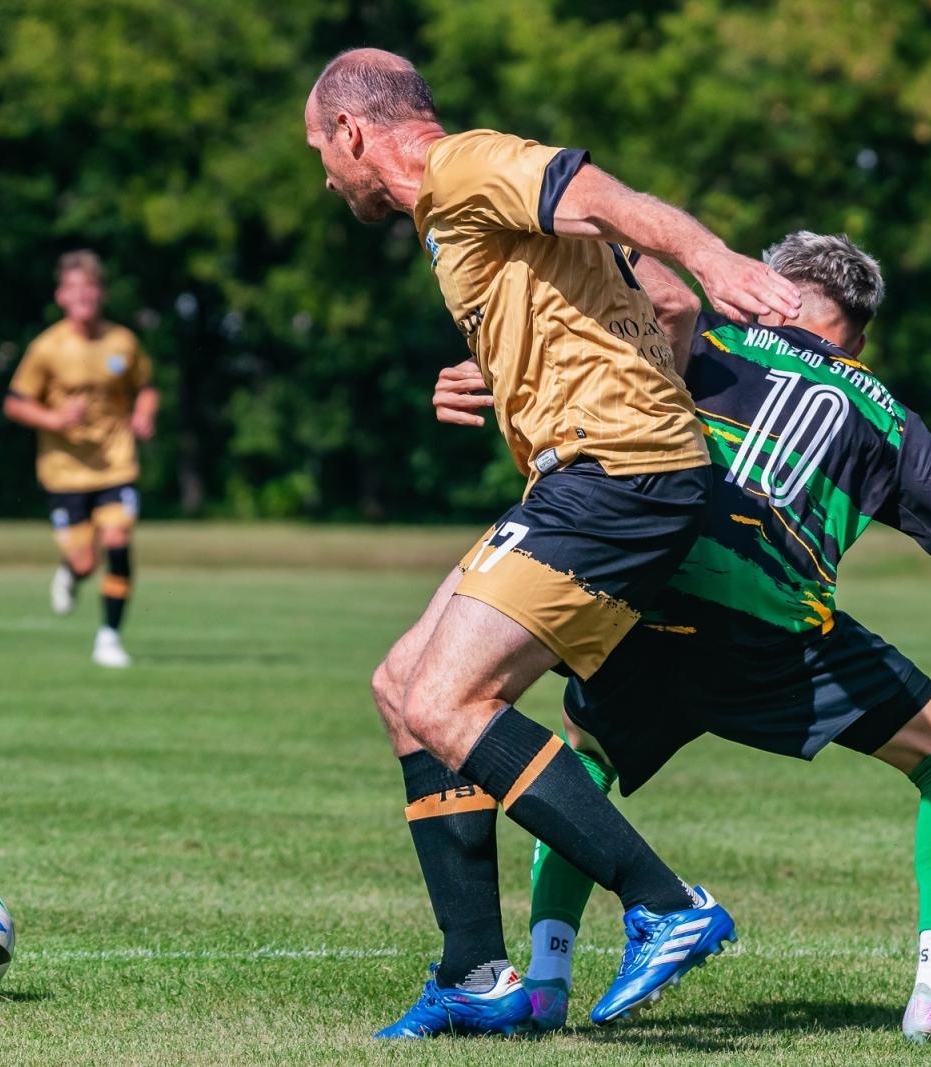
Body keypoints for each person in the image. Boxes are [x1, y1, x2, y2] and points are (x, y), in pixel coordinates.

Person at [432, 232, 931, 1041]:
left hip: (643, 606)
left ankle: (545, 978)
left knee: (584, 762)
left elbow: (581, 373)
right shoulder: (882, 410)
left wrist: (493, 377)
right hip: (774, 639)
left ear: (771, 289)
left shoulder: (698, 341)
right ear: (857, 330)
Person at [304, 48, 804, 1037]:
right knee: (403, 689)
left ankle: (665, 903)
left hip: (616, 475)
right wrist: (504, 367)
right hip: (598, 470)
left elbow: (598, 196)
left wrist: (710, 253)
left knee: (448, 697)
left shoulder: (463, 166)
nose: (324, 174)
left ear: (355, 133)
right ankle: (475, 972)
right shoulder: (457, 211)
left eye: (321, 151)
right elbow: (659, 304)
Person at [3, 251, 158, 669]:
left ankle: (109, 638)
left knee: (117, 541)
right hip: (64, 471)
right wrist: (54, 418)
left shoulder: (122, 342)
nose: (83, 295)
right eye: (74, 288)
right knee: (85, 560)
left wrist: (144, 414)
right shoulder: (47, 348)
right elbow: (15, 404)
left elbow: (147, 386)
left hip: (115, 463)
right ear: (61, 296)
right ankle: (71, 572)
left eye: (90, 286)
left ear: (101, 292)